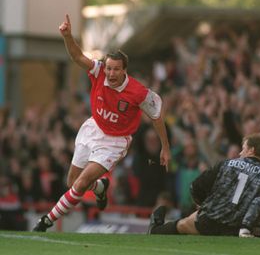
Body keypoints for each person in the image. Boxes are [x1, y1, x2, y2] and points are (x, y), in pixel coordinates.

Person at [32, 14, 171, 232]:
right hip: (93, 128)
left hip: (115, 141)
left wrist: (165, 146)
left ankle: (45, 221)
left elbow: (157, 117)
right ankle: (100, 187)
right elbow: (77, 56)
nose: (111, 73)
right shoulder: (98, 72)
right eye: (109, 68)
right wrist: (67, 36)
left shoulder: (138, 92)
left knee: (79, 183)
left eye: (116, 69)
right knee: (72, 182)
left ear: (124, 70)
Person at [148, 133, 260, 238]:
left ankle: (155, 230)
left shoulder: (226, 163)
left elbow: (195, 187)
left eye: (243, 148)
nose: (240, 152)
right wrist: (245, 228)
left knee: (183, 224)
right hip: (238, 229)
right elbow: (258, 204)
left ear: (252, 150)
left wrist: (203, 205)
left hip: (207, 224)